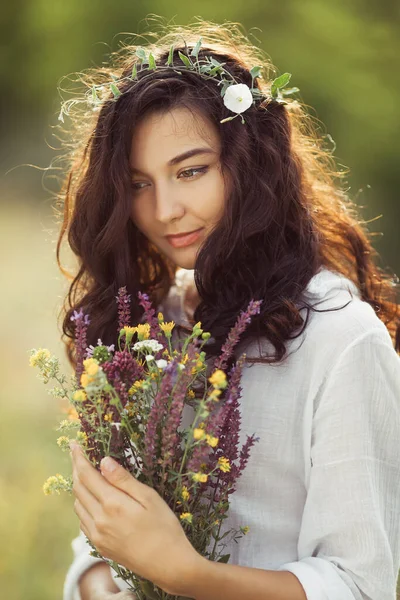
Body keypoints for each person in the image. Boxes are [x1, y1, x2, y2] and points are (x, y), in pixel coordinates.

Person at [56, 18, 400, 600]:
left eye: (191, 171)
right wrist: (100, 582)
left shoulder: (342, 338)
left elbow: (358, 586)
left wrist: (184, 575)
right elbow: (102, 547)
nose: (165, 210)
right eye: (138, 184)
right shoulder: (152, 325)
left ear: (251, 166)